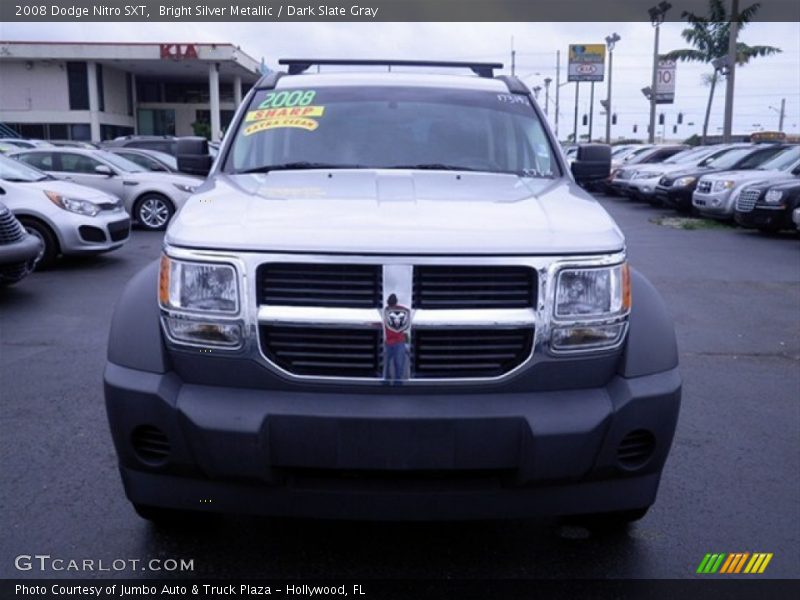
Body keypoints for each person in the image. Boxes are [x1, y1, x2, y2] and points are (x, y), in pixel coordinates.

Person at [383, 294, 409, 384]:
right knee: (386, 364)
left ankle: (398, 383)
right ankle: (386, 381)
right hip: (389, 341)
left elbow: (407, 311)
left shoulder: (399, 309)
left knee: (398, 363)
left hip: (399, 341)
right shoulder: (387, 310)